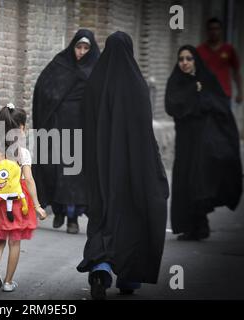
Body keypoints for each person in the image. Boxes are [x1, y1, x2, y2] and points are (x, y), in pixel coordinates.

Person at [76, 31, 169, 300]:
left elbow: (83, 127)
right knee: (132, 222)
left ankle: (101, 268)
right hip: (131, 173)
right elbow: (145, 137)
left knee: (102, 218)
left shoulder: (95, 83)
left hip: (100, 171)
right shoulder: (137, 86)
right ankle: (129, 278)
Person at [165, 45, 242, 241]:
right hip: (185, 141)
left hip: (204, 141)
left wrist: (199, 99)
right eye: (181, 59)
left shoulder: (207, 79)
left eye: (189, 59)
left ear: (195, 60)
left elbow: (219, 106)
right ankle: (191, 227)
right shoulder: (175, 80)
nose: (184, 63)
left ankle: (200, 225)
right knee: (185, 181)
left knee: (199, 180)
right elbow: (172, 106)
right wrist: (193, 91)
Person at [0, 104, 47, 292]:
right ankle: (8, 282)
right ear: (20, 128)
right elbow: (28, 180)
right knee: (14, 241)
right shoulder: (22, 153)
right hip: (17, 201)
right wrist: (37, 205)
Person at [32, 29, 100, 234]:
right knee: (54, 169)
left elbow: (103, 99)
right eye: (78, 47)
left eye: (85, 48)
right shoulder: (60, 64)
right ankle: (59, 210)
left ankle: (73, 219)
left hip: (82, 131)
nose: (81, 52)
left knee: (75, 174)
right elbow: (43, 89)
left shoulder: (97, 68)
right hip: (57, 128)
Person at [197, 18, 242, 104]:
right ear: (207, 31)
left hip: (224, 95)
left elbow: (236, 72)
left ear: (221, 31)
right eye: (211, 29)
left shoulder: (228, 49)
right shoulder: (200, 50)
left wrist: (240, 92)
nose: (214, 32)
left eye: (216, 29)